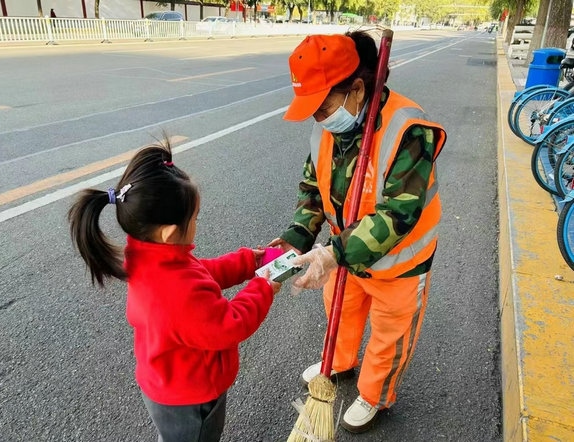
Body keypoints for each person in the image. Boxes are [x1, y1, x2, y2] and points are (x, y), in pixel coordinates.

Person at [269, 31, 447, 434]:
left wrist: (332, 253)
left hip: (400, 264)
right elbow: (313, 189)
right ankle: (339, 363)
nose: (319, 118)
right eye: (312, 110)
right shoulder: (326, 128)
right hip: (346, 256)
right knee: (341, 311)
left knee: (389, 336)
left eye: (323, 106)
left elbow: (398, 214)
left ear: (357, 89)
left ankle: (375, 394)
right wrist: (296, 237)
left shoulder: (409, 129)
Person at [68, 140, 281, 442]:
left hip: (166, 381)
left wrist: (249, 262)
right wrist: (264, 285)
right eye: (194, 218)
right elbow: (229, 324)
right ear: (169, 232)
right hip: (191, 398)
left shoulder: (152, 258)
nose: (196, 223)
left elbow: (202, 273)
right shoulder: (175, 288)